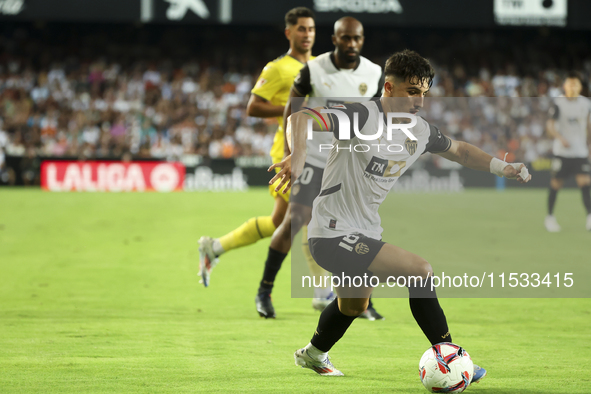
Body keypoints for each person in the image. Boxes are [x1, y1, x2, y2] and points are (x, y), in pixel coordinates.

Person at [269, 50, 531, 380]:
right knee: (420, 271)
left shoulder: (418, 131)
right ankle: (451, 356)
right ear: (389, 89)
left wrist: (500, 166)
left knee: (354, 306)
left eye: (424, 93)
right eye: (412, 92)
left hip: (365, 230)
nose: (420, 101)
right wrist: (297, 157)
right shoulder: (360, 117)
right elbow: (299, 117)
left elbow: (460, 150)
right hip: (331, 231)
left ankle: (313, 354)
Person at [254, 16, 385, 319]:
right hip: (313, 156)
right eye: (346, 38)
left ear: (362, 40)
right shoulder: (313, 69)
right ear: (335, 39)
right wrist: (292, 151)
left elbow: (377, 115)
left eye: (357, 38)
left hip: (349, 163)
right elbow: (292, 108)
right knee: (295, 219)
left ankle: (362, 301)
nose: (351, 44)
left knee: (360, 229)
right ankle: (264, 291)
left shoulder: (374, 73)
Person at [198, 7, 316, 286]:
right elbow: (253, 107)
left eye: (311, 29)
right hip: (287, 150)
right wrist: (294, 107)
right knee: (311, 215)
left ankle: (215, 247)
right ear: (289, 33)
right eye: (301, 29)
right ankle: (321, 290)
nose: (307, 34)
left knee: (280, 222)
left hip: (315, 150)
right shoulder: (277, 68)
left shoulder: (320, 66)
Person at [544, 72, 591, 232]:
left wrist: (589, 145)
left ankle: (590, 217)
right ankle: (550, 217)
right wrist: (559, 137)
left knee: (585, 184)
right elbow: (549, 125)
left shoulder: (586, 103)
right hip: (562, 152)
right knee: (556, 184)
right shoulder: (559, 103)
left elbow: (588, 126)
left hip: (580, 152)